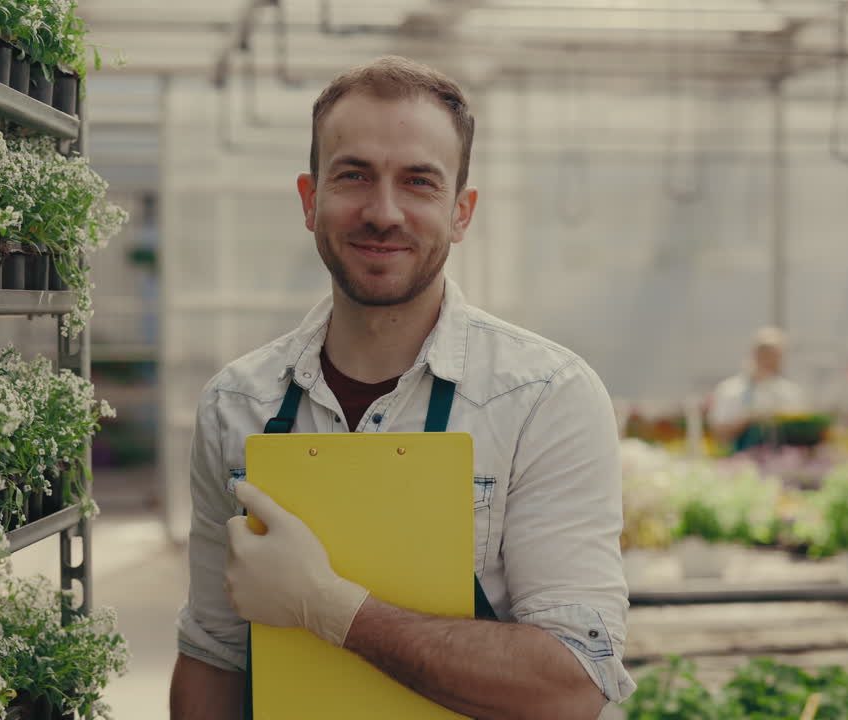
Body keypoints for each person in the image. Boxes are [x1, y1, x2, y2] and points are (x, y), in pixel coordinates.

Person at [169, 56, 634, 719]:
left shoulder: (542, 398)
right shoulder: (238, 406)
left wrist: (328, 608)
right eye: (353, 175)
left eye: (418, 182)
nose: (383, 213)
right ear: (310, 199)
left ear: (461, 212)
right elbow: (214, 654)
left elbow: (568, 687)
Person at [708, 327, 808, 452]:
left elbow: (803, 434)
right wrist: (748, 419)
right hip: (739, 464)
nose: (771, 359)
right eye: (765, 353)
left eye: (776, 355)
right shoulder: (730, 390)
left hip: (783, 463)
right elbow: (718, 433)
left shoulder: (790, 392)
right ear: (754, 354)